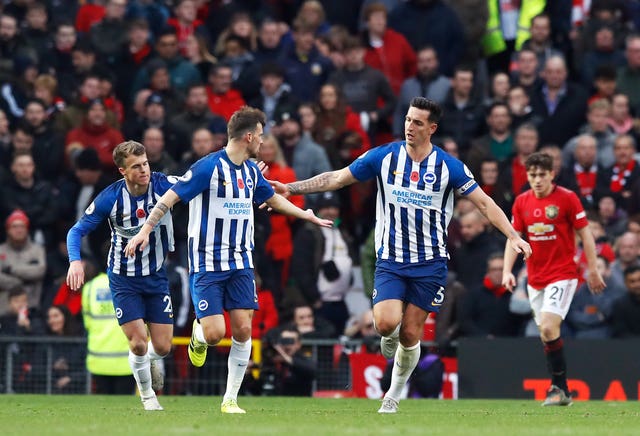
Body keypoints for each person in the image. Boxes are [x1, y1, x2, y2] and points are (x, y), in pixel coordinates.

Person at [269, 97, 531, 413]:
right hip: (392, 259)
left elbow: (485, 204)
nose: (410, 126)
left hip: (431, 264)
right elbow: (337, 178)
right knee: (384, 324)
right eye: (408, 119)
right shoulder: (384, 156)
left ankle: (393, 393)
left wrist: (513, 235)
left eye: (418, 122)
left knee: (410, 333)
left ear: (432, 128)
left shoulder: (448, 167)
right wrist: (290, 189)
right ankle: (387, 340)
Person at [124, 107, 332, 414]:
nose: (262, 141)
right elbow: (170, 198)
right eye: (260, 135)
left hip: (241, 263)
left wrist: (305, 214)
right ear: (248, 136)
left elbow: (271, 198)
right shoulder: (208, 167)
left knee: (244, 329)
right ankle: (198, 334)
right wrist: (145, 231)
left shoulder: (250, 172)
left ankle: (230, 399)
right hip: (207, 262)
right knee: (214, 334)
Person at [66, 140, 176, 411]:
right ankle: (148, 396)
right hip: (123, 278)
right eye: (136, 166)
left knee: (162, 347)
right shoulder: (110, 198)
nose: (144, 170)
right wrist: (75, 262)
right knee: (138, 343)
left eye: (146, 164)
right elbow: (76, 231)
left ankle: (151, 360)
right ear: (122, 171)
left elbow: (195, 181)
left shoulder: (163, 184)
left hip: (155, 275)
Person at [502, 152, 606, 407]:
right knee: (547, 334)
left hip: (563, 274)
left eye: (541, 175)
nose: (537, 180)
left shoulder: (567, 199)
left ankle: (558, 388)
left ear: (552, 174)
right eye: (532, 175)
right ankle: (561, 389)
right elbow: (513, 237)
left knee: (548, 326)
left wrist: (592, 268)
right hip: (535, 278)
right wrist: (507, 270)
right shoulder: (522, 202)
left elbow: (586, 234)